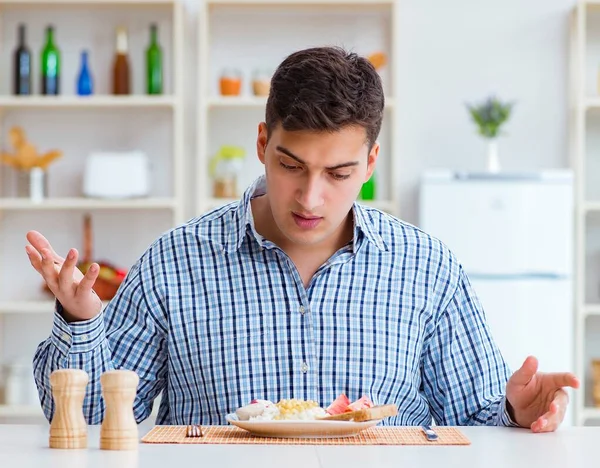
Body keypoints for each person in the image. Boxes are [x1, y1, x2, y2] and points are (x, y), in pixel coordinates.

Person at [27, 46, 578, 431]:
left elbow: (475, 419)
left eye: (338, 173)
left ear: (370, 162)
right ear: (263, 143)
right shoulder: (175, 261)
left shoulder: (426, 268)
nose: (310, 198)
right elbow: (91, 421)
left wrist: (515, 411)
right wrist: (80, 322)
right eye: (291, 165)